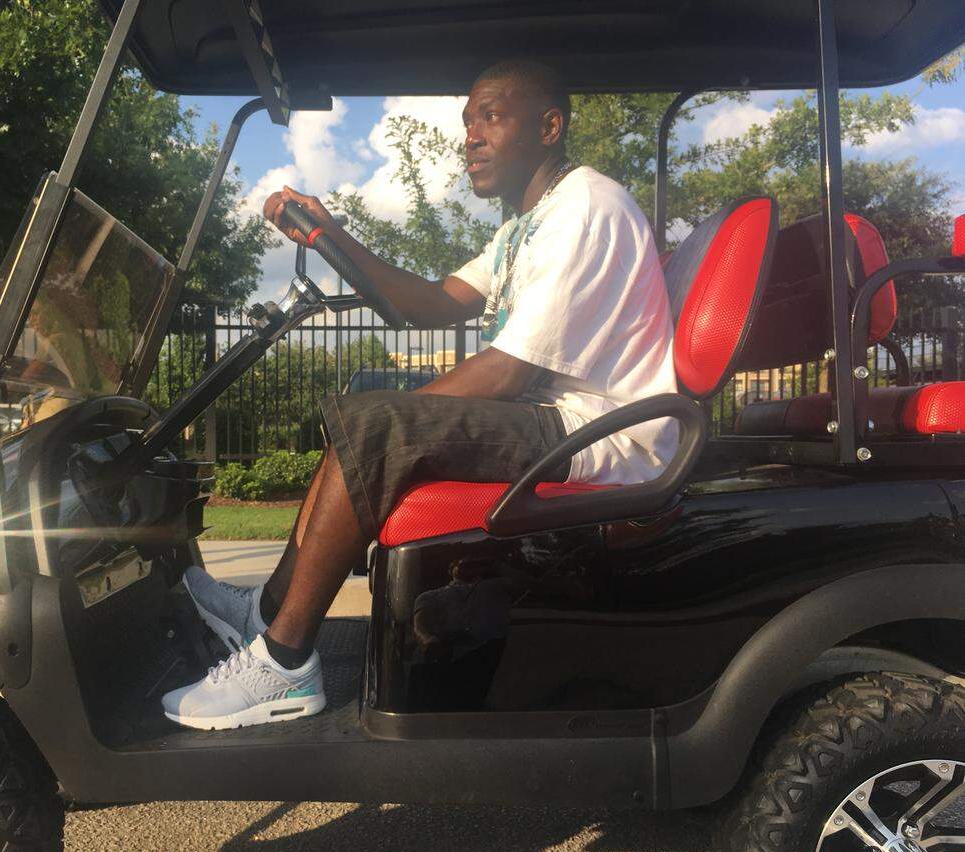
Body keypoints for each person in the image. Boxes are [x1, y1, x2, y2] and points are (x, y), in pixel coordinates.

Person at [161, 59, 678, 731]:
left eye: (491, 116)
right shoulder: (523, 227)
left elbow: (505, 374)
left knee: (375, 425)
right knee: (368, 407)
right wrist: (328, 232)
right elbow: (433, 303)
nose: (470, 136)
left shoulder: (585, 207)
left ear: (550, 127)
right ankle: (269, 608)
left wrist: (384, 424)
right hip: (553, 420)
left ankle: (285, 663)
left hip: (599, 434)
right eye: (467, 121)